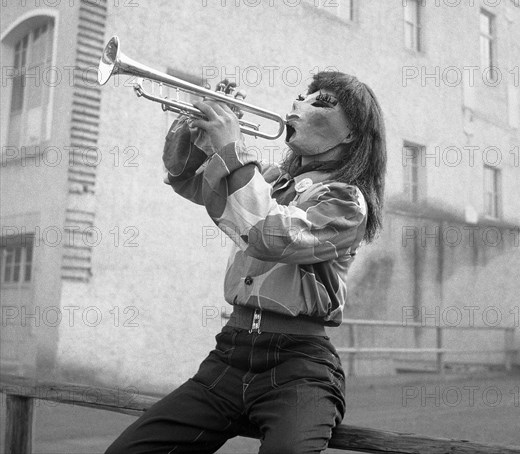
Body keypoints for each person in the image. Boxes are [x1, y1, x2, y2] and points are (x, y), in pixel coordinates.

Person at [105, 71, 387, 454]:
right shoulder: (268, 180)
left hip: (298, 365)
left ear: (353, 133)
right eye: (301, 95)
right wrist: (201, 124)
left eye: (320, 101)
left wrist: (232, 149)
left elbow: (269, 235)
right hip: (229, 354)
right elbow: (186, 177)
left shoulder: (345, 201)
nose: (298, 103)